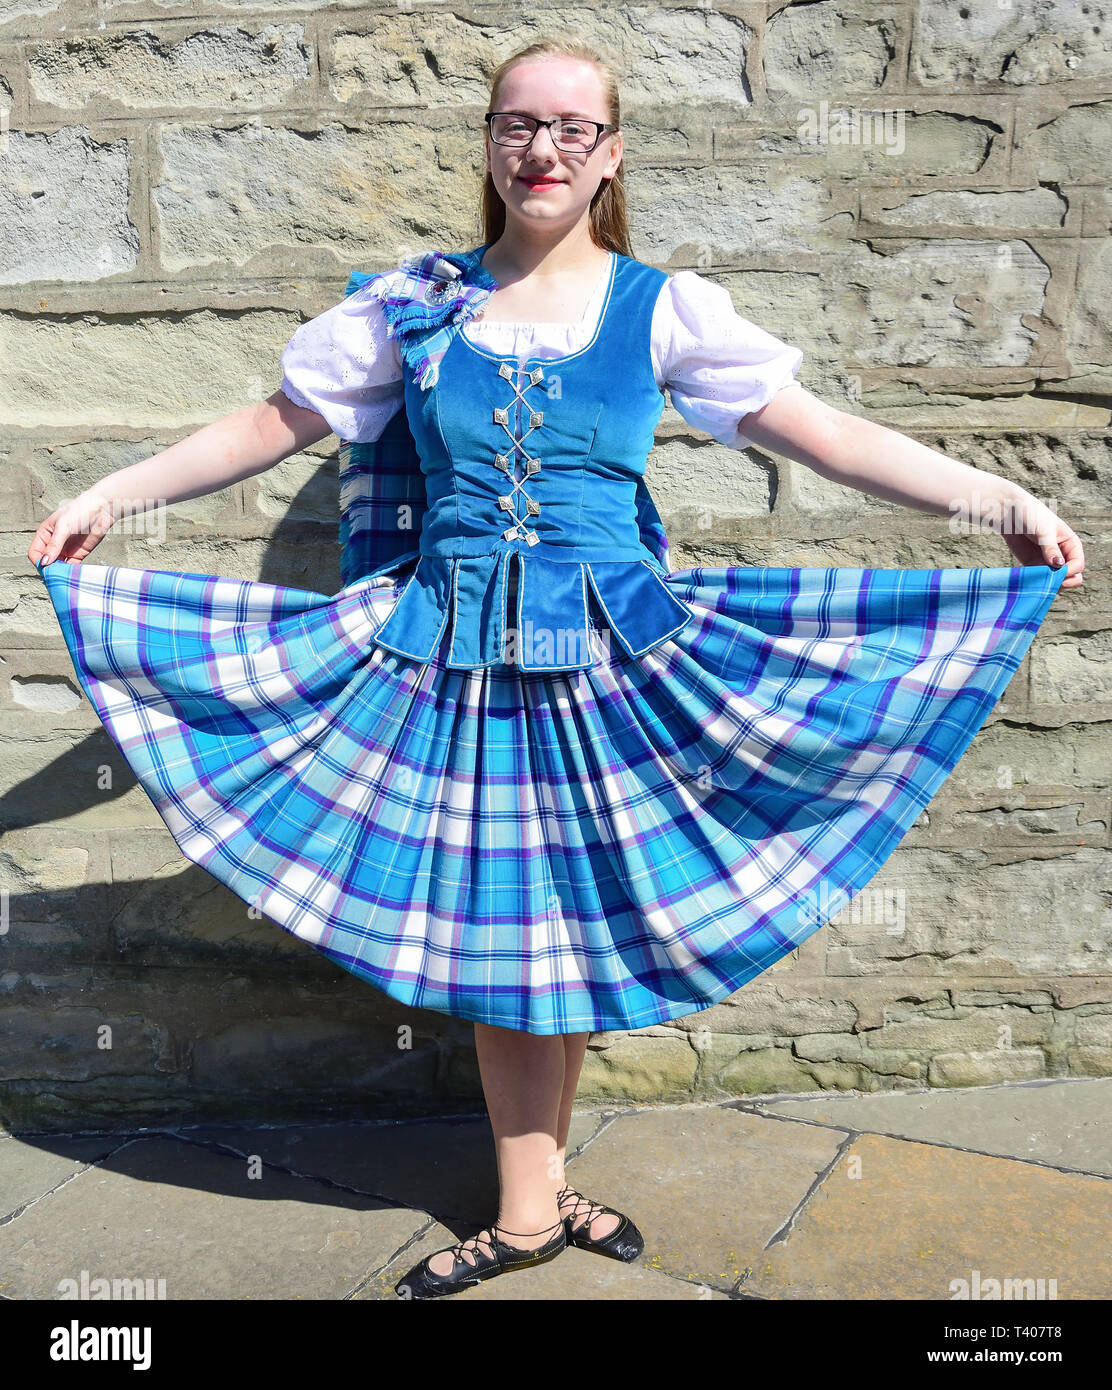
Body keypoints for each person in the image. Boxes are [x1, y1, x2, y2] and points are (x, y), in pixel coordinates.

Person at [28, 38, 1083, 1301]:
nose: (543, 149)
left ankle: (535, 1197)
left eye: (573, 129)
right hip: (454, 664)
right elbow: (276, 424)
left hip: (611, 661)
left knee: (565, 932)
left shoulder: (662, 308)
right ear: (488, 142)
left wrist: (992, 499)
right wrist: (111, 494)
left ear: (611, 154)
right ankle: (533, 1208)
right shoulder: (414, 306)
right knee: (504, 941)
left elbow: (824, 435)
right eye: (519, 125)